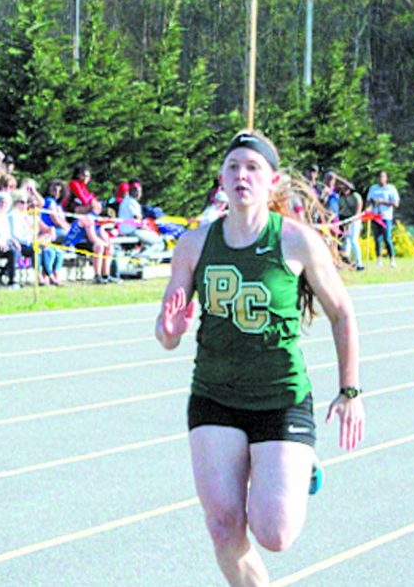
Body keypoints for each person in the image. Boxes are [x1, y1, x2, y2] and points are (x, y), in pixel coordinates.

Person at [155, 130, 364, 587]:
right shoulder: (194, 245)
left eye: (252, 168)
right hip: (215, 395)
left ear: (272, 181)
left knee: (275, 533)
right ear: (221, 180)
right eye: (233, 167)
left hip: (279, 397)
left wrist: (350, 392)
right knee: (223, 525)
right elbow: (167, 329)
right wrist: (169, 331)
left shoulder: (296, 241)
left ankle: (298, 459)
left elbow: (342, 312)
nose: (241, 175)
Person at [63, 198, 116, 284]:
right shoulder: (89, 218)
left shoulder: (96, 218)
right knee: (99, 247)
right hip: (75, 243)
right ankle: (97, 276)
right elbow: (92, 237)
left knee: (108, 248)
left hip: (85, 242)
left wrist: (108, 245)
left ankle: (106, 275)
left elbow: (101, 233)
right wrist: (105, 244)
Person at [366, 170, 399, 268]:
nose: (381, 179)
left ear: (386, 178)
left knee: (387, 238)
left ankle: (392, 259)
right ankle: (379, 260)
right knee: (377, 239)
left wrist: (383, 202)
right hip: (375, 216)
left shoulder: (391, 189)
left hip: (386, 217)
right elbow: (368, 201)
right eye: (379, 177)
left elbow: (396, 204)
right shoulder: (373, 188)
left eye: (383, 177)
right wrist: (368, 209)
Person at [118, 182, 162, 246]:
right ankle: (144, 255)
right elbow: (136, 218)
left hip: (125, 229)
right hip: (131, 231)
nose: (138, 193)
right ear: (131, 191)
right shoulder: (131, 202)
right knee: (158, 240)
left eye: (139, 191)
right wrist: (146, 227)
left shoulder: (126, 200)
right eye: (135, 191)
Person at [337, 179, 364, 271]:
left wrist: (350, 223)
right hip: (344, 220)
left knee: (353, 241)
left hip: (354, 220)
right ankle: (347, 262)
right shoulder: (340, 197)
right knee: (346, 241)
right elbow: (339, 209)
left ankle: (359, 263)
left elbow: (358, 212)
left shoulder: (356, 196)